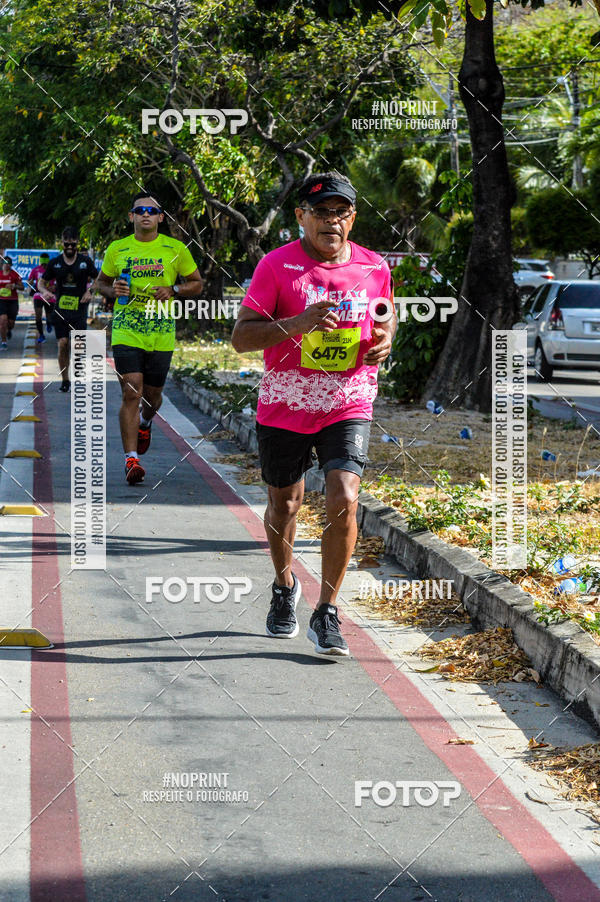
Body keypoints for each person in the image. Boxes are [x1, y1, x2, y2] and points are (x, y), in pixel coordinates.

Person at [232, 171, 396, 656]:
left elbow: (386, 316)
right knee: (284, 503)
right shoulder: (276, 267)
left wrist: (386, 341)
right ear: (301, 216)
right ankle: (284, 587)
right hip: (287, 400)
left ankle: (327, 612)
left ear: (353, 217)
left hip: (349, 397)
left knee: (344, 493)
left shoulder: (373, 266)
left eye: (341, 211)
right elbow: (242, 338)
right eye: (322, 212)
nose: (333, 221)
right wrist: (297, 324)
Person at [96, 192, 203, 485]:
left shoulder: (175, 248)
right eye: (139, 210)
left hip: (161, 332)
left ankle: (145, 422)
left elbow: (197, 283)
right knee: (132, 391)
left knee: (152, 397)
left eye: (151, 211)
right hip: (127, 329)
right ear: (131, 216)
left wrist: (174, 290)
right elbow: (100, 285)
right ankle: (131, 460)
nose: (145, 214)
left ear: (160, 217)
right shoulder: (117, 249)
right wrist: (112, 290)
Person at [38, 228, 98, 391]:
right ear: (62, 242)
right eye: (66, 243)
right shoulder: (55, 262)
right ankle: (65, 380)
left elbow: (98, 279)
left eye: (73, 243)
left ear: (78, 242)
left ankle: (78, 376)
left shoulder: (85, 262)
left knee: (77, 346)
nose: (69, 246)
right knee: (63, 344)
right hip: (61, 310)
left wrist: (90, 291)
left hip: (79, 310)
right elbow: (41, 283)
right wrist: (45, 292)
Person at [29, 252, 55, 343]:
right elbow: (29, 282)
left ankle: (49, 322)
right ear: (40, 262)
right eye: (43, 264)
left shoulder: (52, 271)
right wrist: (30, 283)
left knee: (49, 315)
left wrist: (54, 287)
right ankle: (41, 335)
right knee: (38, 316)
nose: (44, 266)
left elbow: (57, 283)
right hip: (38, 295)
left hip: (49, 295)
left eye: (46, 264)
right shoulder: (35, 270)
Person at [0, 256, 24, 350]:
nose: (6, 265)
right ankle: (4, 342)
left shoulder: (15, 275)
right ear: (2, 264)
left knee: (10, 323)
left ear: (10, 265)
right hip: (1, 301)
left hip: (12, 301)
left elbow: (22, 287)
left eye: (8, 263)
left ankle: (8, 330)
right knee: (3, 321)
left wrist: (14, 285)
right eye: (5, 263)